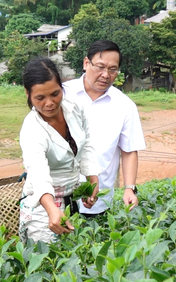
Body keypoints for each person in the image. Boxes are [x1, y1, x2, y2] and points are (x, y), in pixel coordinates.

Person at [19, 57, 101, 243]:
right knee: (47, 261)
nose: (49, 103)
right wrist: (51, 210)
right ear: (28, 94)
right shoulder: (32, 129)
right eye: (40, 98)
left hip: (71, 197)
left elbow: (86, 143)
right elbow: (38, 173)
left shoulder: (74, 107)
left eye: (55, 94)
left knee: (71, 256)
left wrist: (92, 178)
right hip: (43, 205)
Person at [63, 40, 147, 217]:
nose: (105, 75)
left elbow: (129, 150)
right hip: (57, 194)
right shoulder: (62, 94)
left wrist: (129, 188)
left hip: (98, 201)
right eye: (100, 67)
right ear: (86, 63)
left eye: (112, 69)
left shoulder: (124, 105)